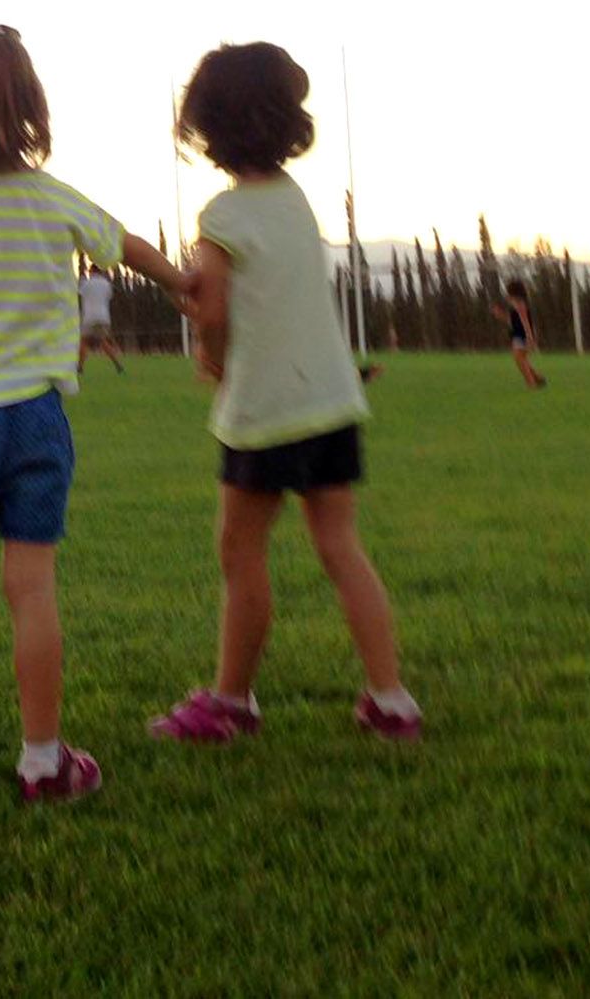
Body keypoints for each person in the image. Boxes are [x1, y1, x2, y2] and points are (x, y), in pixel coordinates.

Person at [0, 22, 192, 803]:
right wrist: (184, 282)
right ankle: (43, 759)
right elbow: (125, 245)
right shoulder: (55, 201)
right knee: (33, 588)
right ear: (28, 105)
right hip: (35, 419)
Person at [150, 42, 421, 745]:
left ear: (208, 127)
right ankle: (390, 698)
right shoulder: (296, 202)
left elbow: (211, 313)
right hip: (331, 403)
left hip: (265, 413)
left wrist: (210, 357)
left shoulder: (220, 217)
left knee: (241, 554)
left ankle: (231, 700)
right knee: (340, 546)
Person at [77, 260, 125, 375]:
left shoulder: (86, 283)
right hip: (103, 317)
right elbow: (108, 297)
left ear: (91, 271)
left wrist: (81, 274)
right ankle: (118, 365)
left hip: (89, 316)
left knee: (83, 342)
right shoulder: (107, 284)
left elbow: (80, 292)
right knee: (103, 342)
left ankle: (80, 367)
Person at [503, 279, 545, 389]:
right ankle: (537, 377)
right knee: (521, 359)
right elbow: (512, 321)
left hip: (522, 335)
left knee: (520, 359)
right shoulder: (515, 304)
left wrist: (529, 336)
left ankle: (531, 383)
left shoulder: (519, 304)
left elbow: (525, 320)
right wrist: (501, 316)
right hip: (518, 334)